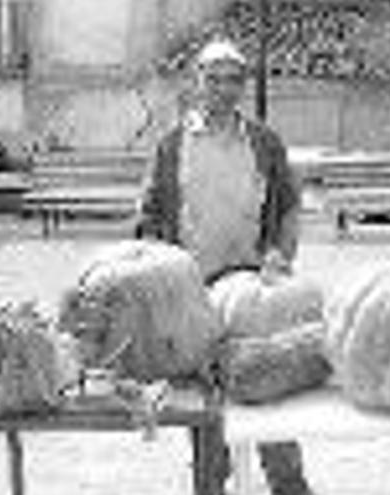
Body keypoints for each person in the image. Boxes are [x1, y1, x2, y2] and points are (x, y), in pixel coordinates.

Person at [135, 39, 311, 495]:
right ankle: (210, 484)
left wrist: (280, 256)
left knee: (269, 395)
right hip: (194, 293)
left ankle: (289, 486)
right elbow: (150, 215)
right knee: (206, 404)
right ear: (197, 83)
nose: (223, 88)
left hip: (255, 291)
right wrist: (157, 275)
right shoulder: (172, 145)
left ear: (243, 85)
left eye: (233, 79)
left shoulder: (265, 142)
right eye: (213, 78)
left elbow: (288, 207)